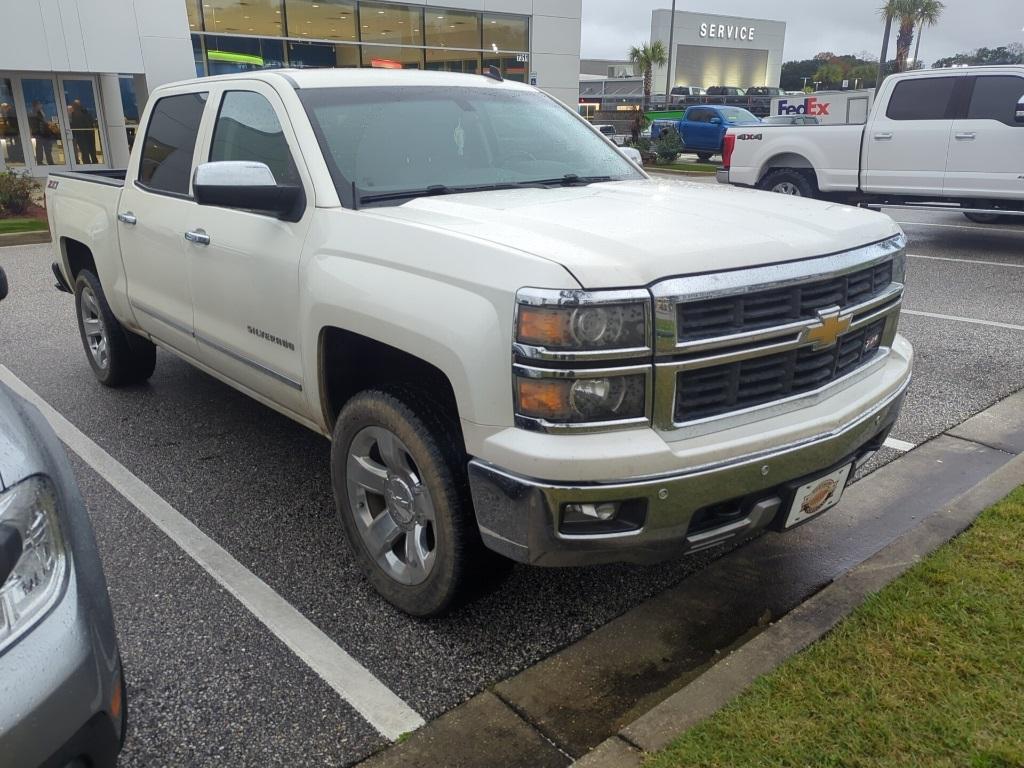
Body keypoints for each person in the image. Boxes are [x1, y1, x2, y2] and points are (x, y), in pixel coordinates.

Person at [69, 99, 98, 165]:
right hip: (84, 135)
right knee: (88, 152)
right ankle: (91, 164)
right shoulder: (83, 113)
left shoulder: (80, 114)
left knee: (89, 151)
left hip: (85, 135)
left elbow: (90, 122)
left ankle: (91, 164)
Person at [29, 100, 56, 165]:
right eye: (40, 105)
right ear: (36, 106)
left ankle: (50, 162)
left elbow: (44, 121)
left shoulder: (41, 112)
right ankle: (40, 162)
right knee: (39, 149)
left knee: (47, 149)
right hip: (39, 133)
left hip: (45, 133)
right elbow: (40, 122)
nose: (41, 106)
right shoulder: (34, 113)